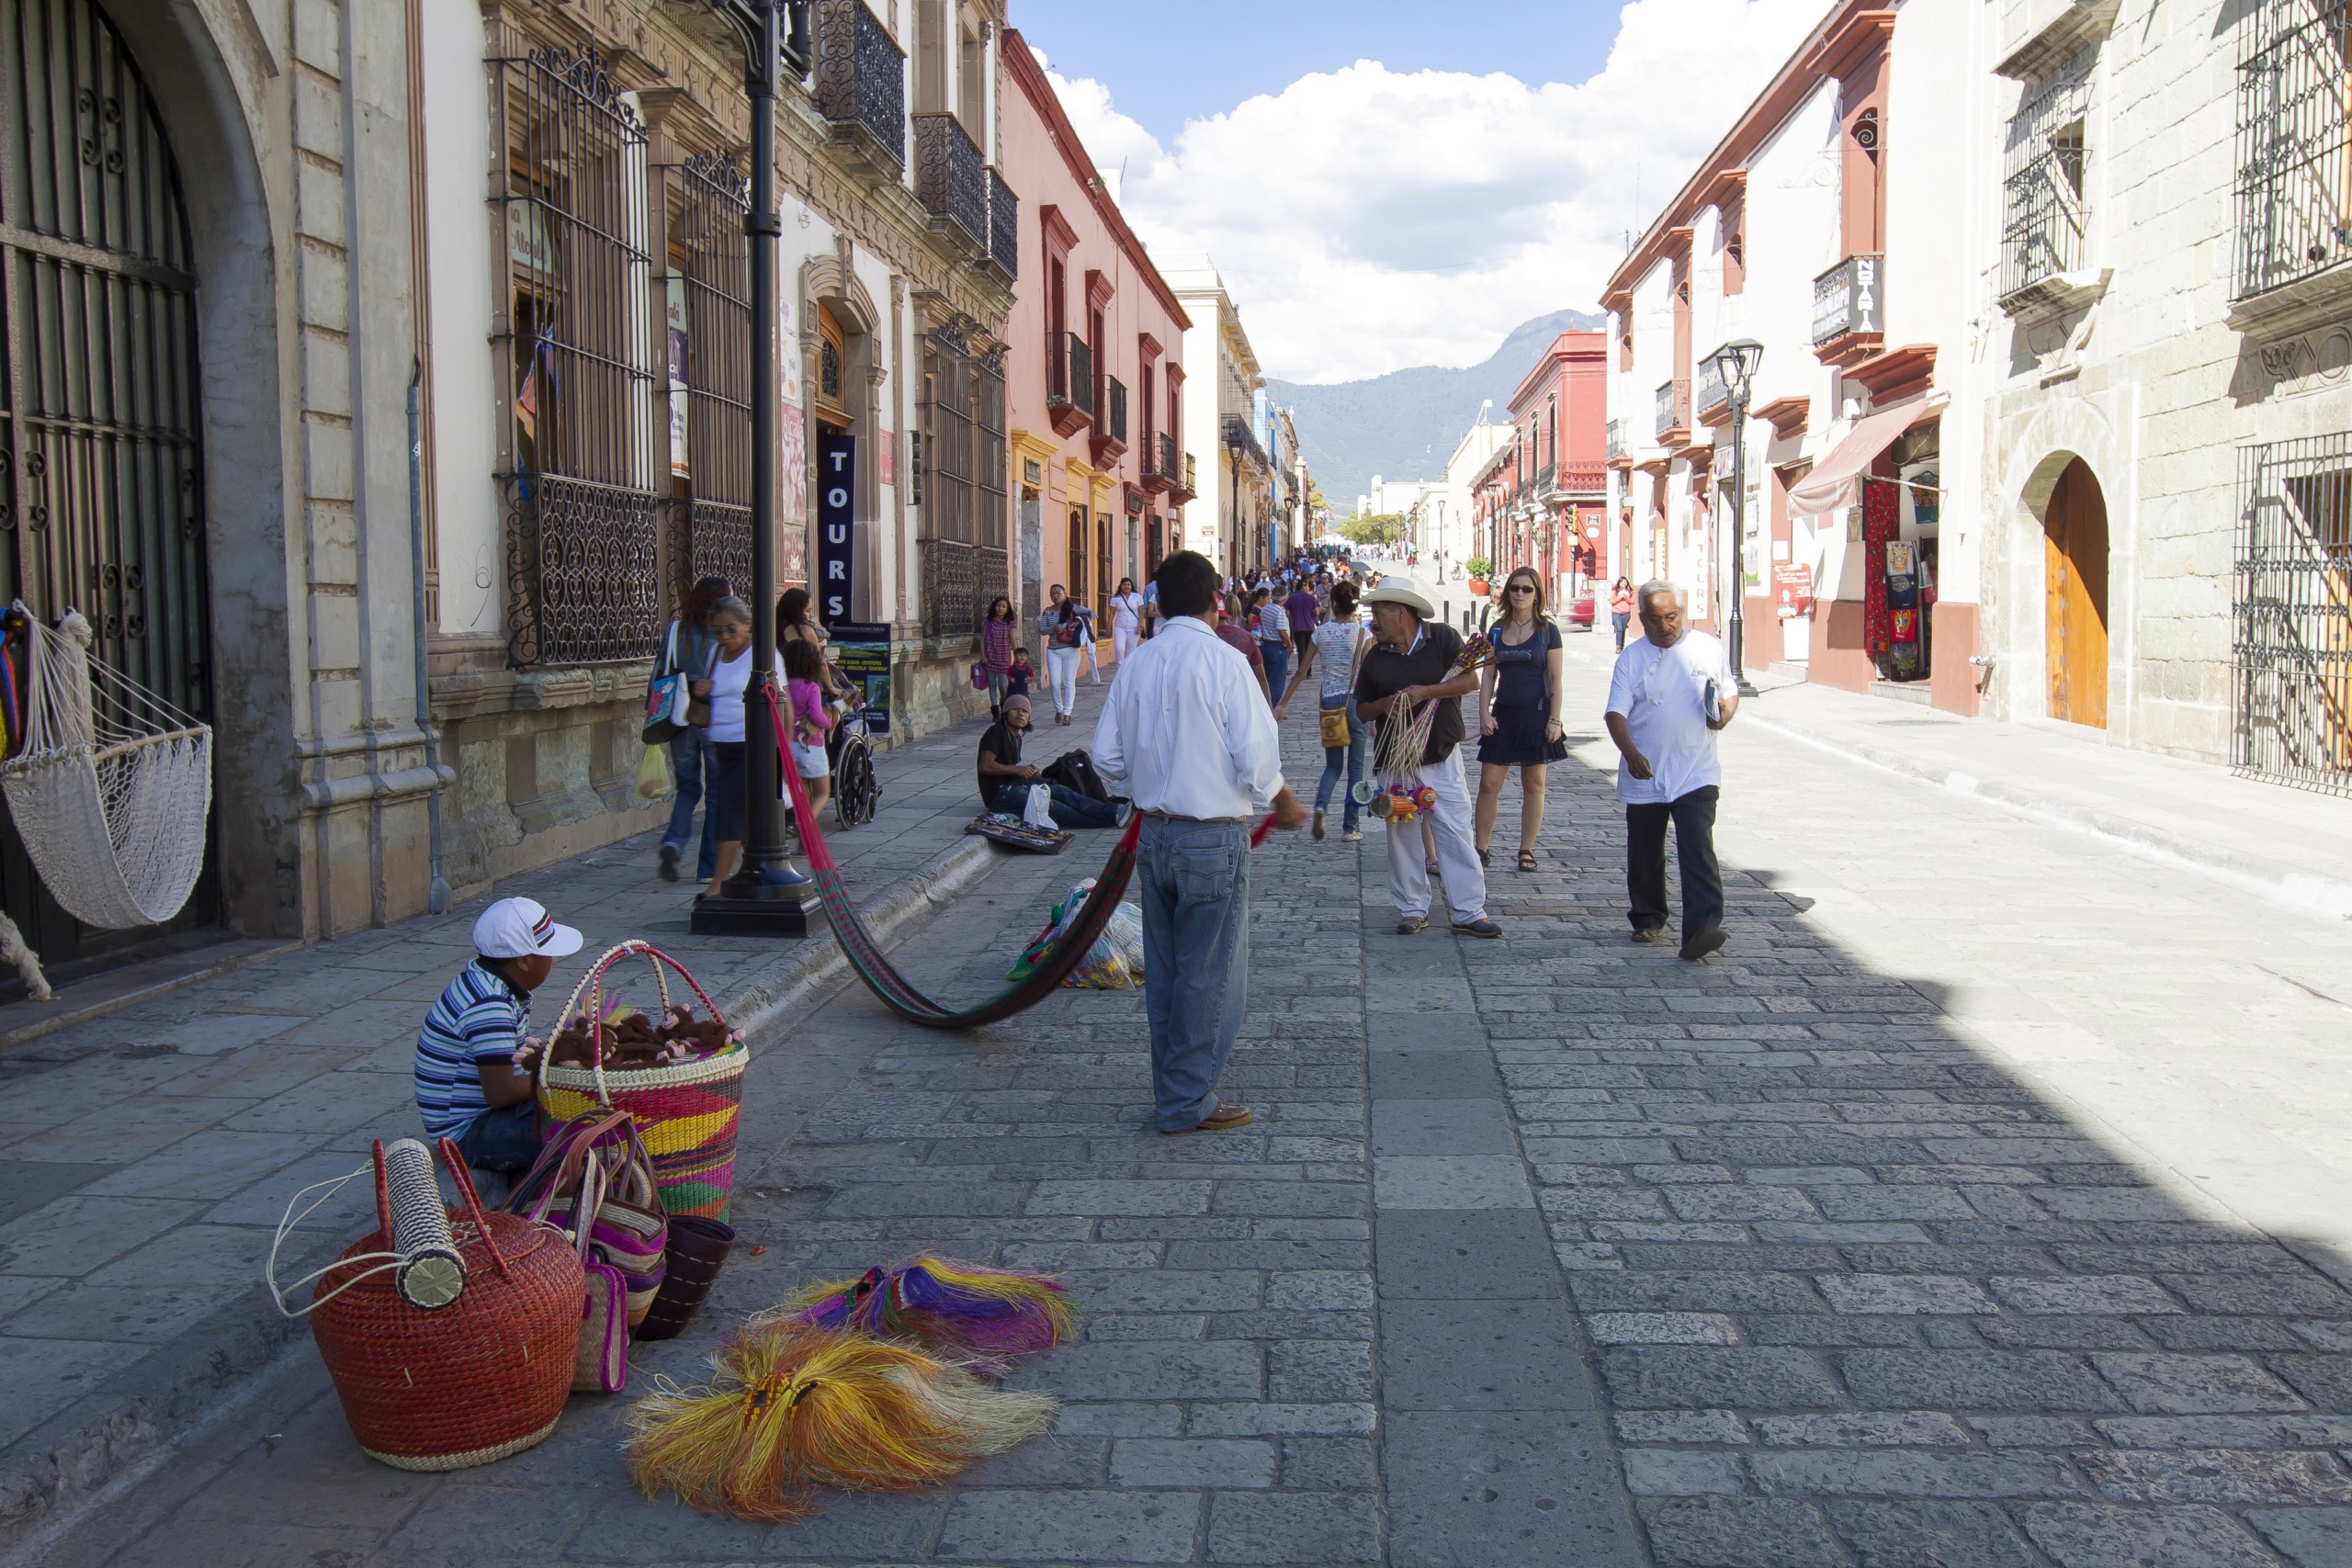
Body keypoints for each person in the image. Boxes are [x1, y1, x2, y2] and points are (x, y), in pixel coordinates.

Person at [1094, 551, 1306, 1134]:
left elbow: (1106, 757)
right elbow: (1258, 758)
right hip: (1210, 839)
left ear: (1156, 603)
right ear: (1218, 601)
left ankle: (1176, 1090)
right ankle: (1186, 1100)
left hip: (1154, 836)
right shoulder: (1226, 662)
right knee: (1211, 971)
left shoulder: (1136, 664)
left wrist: (1150, 785)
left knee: (1166, 969)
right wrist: (1286, 806)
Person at [1354, 578, 1499, 939]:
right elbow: (1360, 711)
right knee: (1401, 834)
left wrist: (1425, 693)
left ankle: (1468, 911)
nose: (1373, 622)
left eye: (1378, 614)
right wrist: (1384, 705)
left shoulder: (1443, 638)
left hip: (1440, 755)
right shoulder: (1375, 654)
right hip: (1395, 762)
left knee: (1455, 830)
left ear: (1400, 612)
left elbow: (1469, 682)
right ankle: (1412, 909)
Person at [1605, 581, 1737, 963]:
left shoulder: (1706, 646)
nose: (1665, 625)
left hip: (1697, 770)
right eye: (1655, 619)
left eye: (1672, 616)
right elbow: (1615, 712)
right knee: (1645, 852)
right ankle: (1648, 916)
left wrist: (1724, 715)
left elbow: (1728, 692)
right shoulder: (1631, 658)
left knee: (1697, 846)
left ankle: (1702, 929)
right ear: (1641, 619)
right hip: (1645, 771)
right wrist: (1630, 753)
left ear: (1682, 613)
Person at [414, 896, 582, 1179]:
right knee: (576, 1130)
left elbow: (505, 1059)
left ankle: (529, 1183)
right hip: (465, 1133)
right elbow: (501, 1093)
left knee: (572, 1108)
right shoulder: (490, 1004)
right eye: (549, 954)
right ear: (525, 962)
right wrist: (560, 1074)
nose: (553, 961)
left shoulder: (487, 979)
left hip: (480, 1116)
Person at [1475, 567, 1569, 874]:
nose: (1519, 594)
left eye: (1527, 589)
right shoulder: (1497, 629)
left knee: (1534, 784)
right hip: (1504, 713)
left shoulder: (1547, 631)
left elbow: (1555, 677)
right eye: (1515, 588)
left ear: (1537, 594)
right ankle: (1481, 848)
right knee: (1489, 784)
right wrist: (1484, 713)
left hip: (1536, 713)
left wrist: (1555, 719)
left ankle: (1526, 849)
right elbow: (1488, 673)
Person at [697, 596, 785, 899]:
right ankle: (754, 866)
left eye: (731, 629)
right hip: (720, 746)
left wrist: (783, 747)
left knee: (730, 813)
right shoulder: (714, 654)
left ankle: (717, 882)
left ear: (748, 625)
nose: (724, 637)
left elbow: (782, 701)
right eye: (717, 631)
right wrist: (701, 691)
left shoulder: (763, 656)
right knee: (737, 809)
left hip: (751, 744)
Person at [1275, 579, 1369, 840]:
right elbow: (1369, 675)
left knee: (1333, 766)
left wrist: (1282, 703)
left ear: (1334, 604)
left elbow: (1302, 671)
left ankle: (1320, 806)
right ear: (1355, 605)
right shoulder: (1364, 634)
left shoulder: (1321, 633)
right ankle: (1350, 826)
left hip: (1329, 703)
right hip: (1355, 701)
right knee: (1356, 767)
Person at [655, 575, 729, 884]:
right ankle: (708, 869)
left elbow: (659, 673)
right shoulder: (723, 634)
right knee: (715, 795)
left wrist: (654, 716)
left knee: (687, 788)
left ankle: (673, 842)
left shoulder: (676, 631)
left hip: (678, 718)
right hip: (712, 718)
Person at [783, 637, 833, 820]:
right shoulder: (810, 687)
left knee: (804, 794)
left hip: (791, 743)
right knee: (822, 792)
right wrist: (829, 724)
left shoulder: (785, 686)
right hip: (811, 745)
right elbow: (817, 716)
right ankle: (805, 824)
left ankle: (803, 841)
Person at [1214, 593, 1272, 705]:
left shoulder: (1204, 639)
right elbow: (1261, 678)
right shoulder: (1246, 637)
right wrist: (1269, 711)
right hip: (1242, 698)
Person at [1042, 585, 1085, 724]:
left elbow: (1089, 615)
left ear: (1065, 594)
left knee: (1069, 682)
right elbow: (1042, 630)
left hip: (1070, 649)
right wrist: (1052, 628)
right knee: (1054, 683)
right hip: (1053, 650)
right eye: (1052, 593)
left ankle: (1067, 712)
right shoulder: (1048, 611)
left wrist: (1079, 621)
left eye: (1058, 593)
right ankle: (1058, 709)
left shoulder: (1073, 609)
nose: (1055, 596)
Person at [1250, 587, 1294, 711]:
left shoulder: (1266, 609)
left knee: (1266, 681)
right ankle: (1270, 709)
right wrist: (1289, 645)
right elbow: (1282, 632)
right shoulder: (1279, 612)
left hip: (1266, 645)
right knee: (1277, 685)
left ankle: (1264, 707)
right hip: (1277, 646)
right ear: (1284, 598)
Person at [981, 596, 1018, 721]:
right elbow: (983, 638)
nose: (1000, 609)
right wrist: (982, 654)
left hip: (1004, 656)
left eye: (1003, 606)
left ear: (1007, 609)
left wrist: (1018, 656)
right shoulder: (988, 621)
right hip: (990, 655)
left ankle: (1004, 706)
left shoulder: (1010, 623)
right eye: (998, 606)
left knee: (1002, 685)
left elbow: (1013, 640)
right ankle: (995, 710)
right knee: (992, 684)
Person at [1110, 577, 1145, 666]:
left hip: (1134, 627)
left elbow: (1141, 613)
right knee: (1119, 648)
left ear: (1131, 586)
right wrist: (1108, 627)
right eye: (1124, 585)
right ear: (1121, 586)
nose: (1126, 587)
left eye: (1128, 585)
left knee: (1131, 651)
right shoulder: (1115, 598)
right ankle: (1120, 669)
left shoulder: (1137, 597)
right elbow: (1112, 614)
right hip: (1120, 626)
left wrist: (1139, 626)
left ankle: (1128, 671)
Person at [1285, 576, 1320, 652]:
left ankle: (1301, 664)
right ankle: (1309, 664)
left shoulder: (1292, 598)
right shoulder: (1311, 598)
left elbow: (1287, 614)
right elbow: (1317, 613)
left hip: (1297, 627)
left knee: (1301, 651)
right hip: (1310, 626)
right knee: (1308, 651)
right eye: (1307, 586)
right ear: (1303, 587)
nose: (1308, 588)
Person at [1609, 576, 1635, 652]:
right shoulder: (1615, 590)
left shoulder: (1629, 591)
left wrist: (1627, 598)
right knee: (1619, 628)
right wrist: (1619, 597)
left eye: (1625, 582)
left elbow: (1633, 602)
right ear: (1619, 582)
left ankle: (1622, 646)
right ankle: (1618, 646)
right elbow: (1611, 601)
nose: (1624, 583)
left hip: (1626, 613)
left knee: (1623, 629)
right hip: (1616, 612)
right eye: (1622, 582)